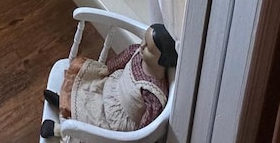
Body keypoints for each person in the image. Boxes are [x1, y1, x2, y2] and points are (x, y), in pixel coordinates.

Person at [40, 24, 177, 140]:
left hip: (118, 118)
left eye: (149, 49)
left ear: (163, 60)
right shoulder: (137, 51)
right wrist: (109, 68)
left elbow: (147, 123)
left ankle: (59, 129)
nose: (142, 46)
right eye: (144, 41)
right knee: (88, 89)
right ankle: (64, 103)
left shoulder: (152, 92)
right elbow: (121, 60)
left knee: (93, 121)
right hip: (112, 88)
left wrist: (136, 137)